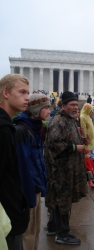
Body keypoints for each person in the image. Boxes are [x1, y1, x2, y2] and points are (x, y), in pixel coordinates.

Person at [44, 91, 87, 245]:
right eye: (72, 105)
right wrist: (76, 148)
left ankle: (53, 227)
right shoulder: (58, 121)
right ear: (63, 106)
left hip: (68, 168)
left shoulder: (69, 119)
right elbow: (55, 144)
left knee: (57, 200)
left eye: (77, 104)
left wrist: (80, 146)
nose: (76, 107)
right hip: (61, 170)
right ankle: (63, 234)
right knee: (63, 201)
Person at [13, 94, 51, 250]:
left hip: (35, 186)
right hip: (27, 190)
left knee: (35, 230)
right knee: (27, 233)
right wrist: (28, 194)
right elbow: (23, 166)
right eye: (47, 107)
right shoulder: (22, 130)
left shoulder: (37, 128)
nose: (50, 111)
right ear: (36, 109)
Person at [0, 74, 30, 250]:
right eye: (22, 92)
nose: (27, 97)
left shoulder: (7, 126)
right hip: (7, 219)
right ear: (6, 93)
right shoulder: (3, 130)